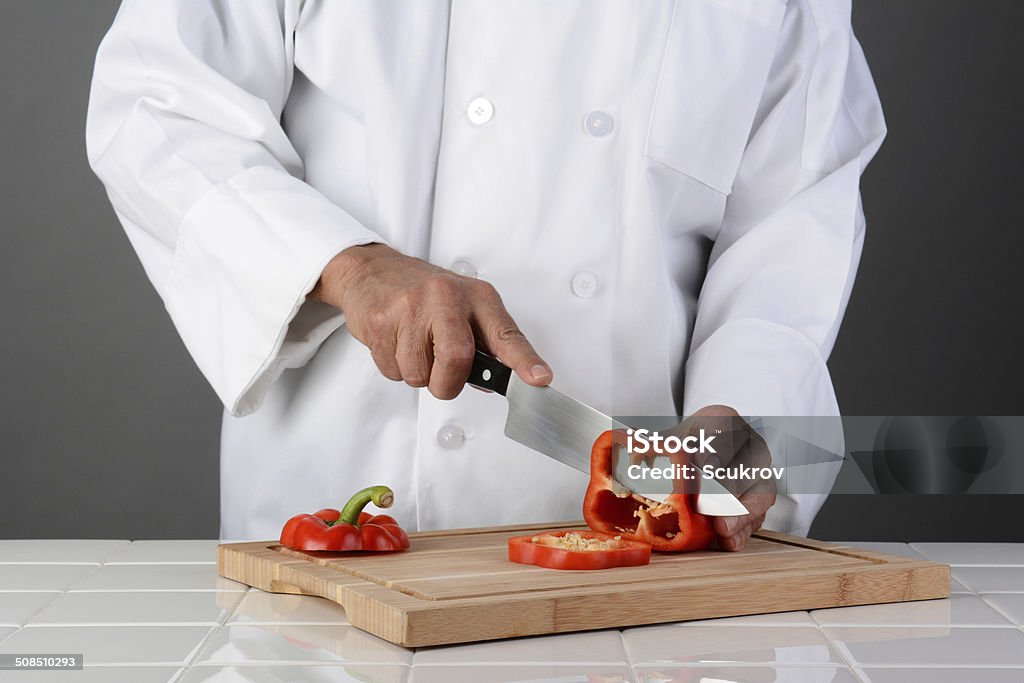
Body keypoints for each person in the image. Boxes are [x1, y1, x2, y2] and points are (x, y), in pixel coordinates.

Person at [86, 0, 885, 547]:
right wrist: (348, 266)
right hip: (348, 530)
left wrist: (743, 409)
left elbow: (793, 212)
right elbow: (156, 104)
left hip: (640, 547)